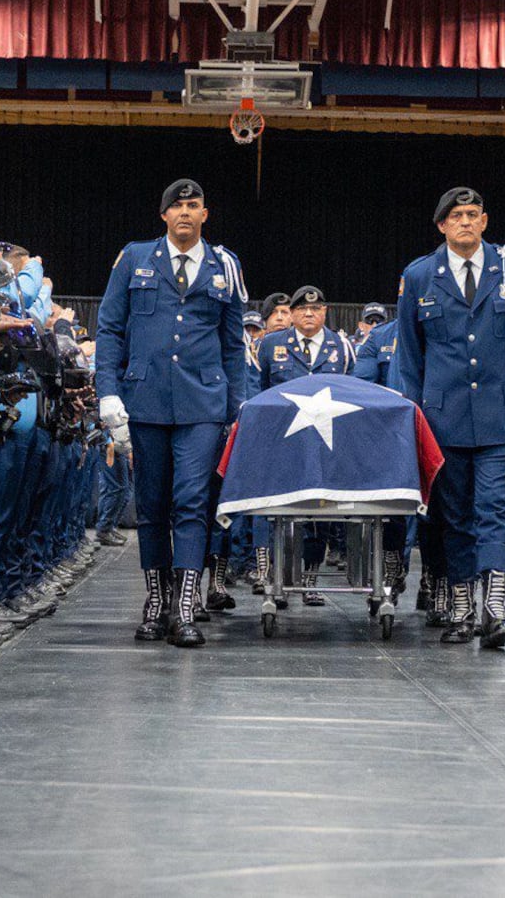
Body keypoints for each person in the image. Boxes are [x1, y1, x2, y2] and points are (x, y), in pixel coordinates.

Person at [396, 186, 505, 645]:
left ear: (484, 221)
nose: (466, 221)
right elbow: (409, 356)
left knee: (494, 510)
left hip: (501, 416)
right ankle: (463, 609)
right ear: (442, 226)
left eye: (473, 214)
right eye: (456, 216)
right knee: (455, 515)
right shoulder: (420, 275)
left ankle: (496, 610)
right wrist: (411, 416)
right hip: (443, 420)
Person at [95, 179, 246, 648]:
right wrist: (107, 392)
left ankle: (184, 605)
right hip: (145, 399)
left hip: (203, 402)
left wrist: (237, 406)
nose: (185, 212)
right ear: (163, 215)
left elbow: (233, 344)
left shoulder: (225, 265)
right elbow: (110, 328)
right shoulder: (135, 258)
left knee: (192, 500)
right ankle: (156, 601)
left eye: (193, 205)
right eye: (176, 206)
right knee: (153, 504)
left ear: (206, 214)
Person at [256, 286, 356, 604]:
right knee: (279, 517)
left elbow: (353, 393)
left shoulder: (340, 346)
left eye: (315, 309)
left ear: (325, 312)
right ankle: (279, 580)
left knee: (319, 518)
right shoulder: (271, 345)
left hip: (325, 447)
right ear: (293, 314)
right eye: (301, 309)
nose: (309, 314)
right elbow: (258, 394)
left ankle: (310, 580)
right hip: (282, 445)